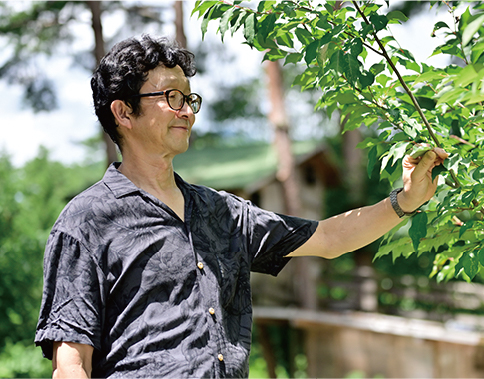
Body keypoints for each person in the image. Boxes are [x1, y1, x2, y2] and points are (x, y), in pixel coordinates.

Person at [35, 35, 448, 378]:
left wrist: (405, 200)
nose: (187, 112)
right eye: (171, 97)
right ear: (124, 112)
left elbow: (329, 237)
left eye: (189, 98)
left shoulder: (222, 213)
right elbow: (71, 362)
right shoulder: (87, 221)